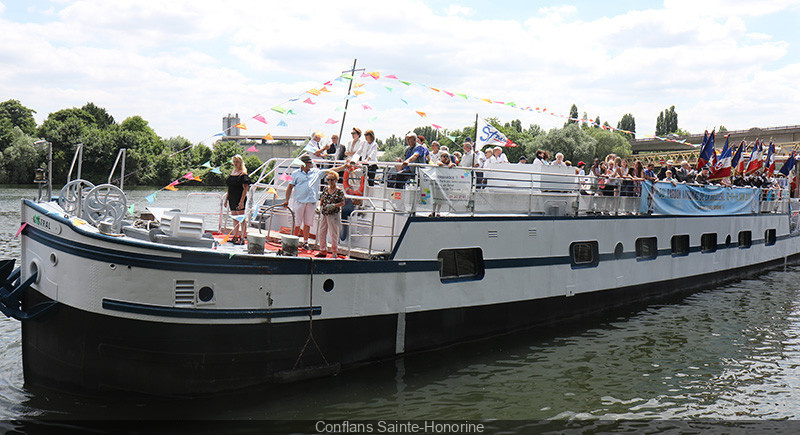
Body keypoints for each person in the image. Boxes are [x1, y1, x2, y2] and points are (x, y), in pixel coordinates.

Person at [316, 170, 346, 258]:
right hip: (324, 213)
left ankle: (334, 252)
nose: (329, 181)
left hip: (333, 214)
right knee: (322, 232)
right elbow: (322, 199)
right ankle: (323, 250)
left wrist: (334, 205)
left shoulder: (339, 191)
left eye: (331, 180)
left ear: (336, 180)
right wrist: (319, 206)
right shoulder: (325, 189)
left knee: (333, 233)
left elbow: (342, 203)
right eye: (328, 179)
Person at [226, 154, 251, 245]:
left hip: (239, 197)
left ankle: (242, 238)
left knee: (241, 218)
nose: (235, 163)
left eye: (237, 162)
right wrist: (226, 199)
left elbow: (245, 189)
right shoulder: (233, 172)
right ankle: (235, 236)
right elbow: (229, 187)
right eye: (234, 162)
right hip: (232, 198)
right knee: (234, 218)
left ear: (240, 162)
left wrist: (241, 201)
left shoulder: (243, 173)